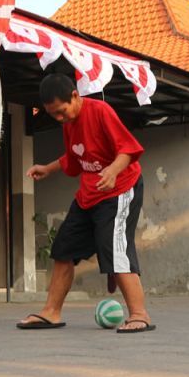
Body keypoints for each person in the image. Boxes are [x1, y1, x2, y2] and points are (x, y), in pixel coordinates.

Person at [18, 74, 153, 333]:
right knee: (63, 249)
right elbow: (74, 156)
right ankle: (51, 313)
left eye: (62, 111)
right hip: (89, 193)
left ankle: (139, 314)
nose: (59, 118)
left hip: (121, 188)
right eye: (53, 114)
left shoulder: (100, 111)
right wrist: (48, 168)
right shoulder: (68, 123)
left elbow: (128, 149)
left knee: (115, 249)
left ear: (75, 96)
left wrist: (113, 170)